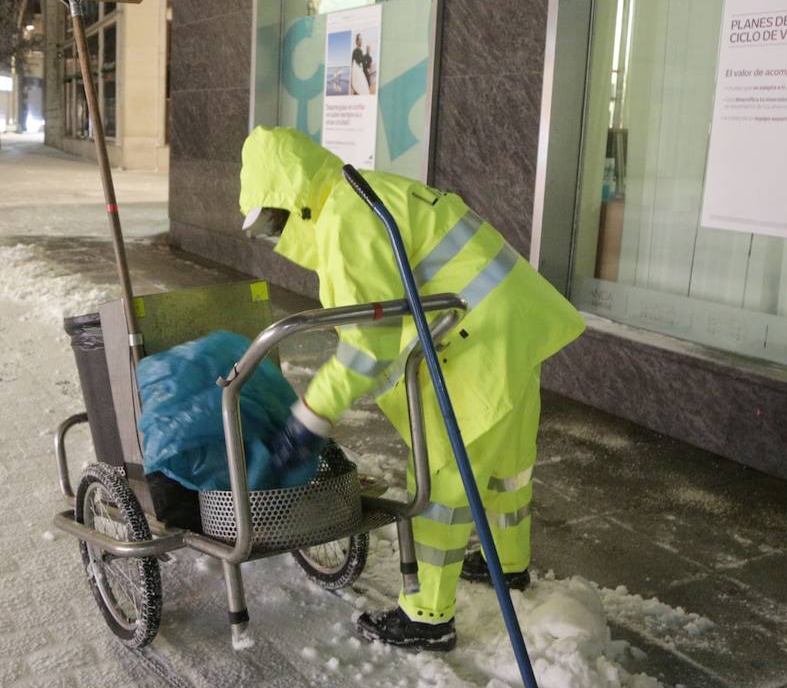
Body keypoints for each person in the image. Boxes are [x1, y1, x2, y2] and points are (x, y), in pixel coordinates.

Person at [239, 126, 585, 651]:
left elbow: (367, 347)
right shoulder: (365, 191)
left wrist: (309, 417)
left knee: (441, 475)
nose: (274, 235)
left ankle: (427, 617)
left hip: (479, 340)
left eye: (271, 221)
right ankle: (507, 564)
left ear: (289, 201)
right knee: (508, 460)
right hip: (512, 322)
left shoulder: (344, 222)